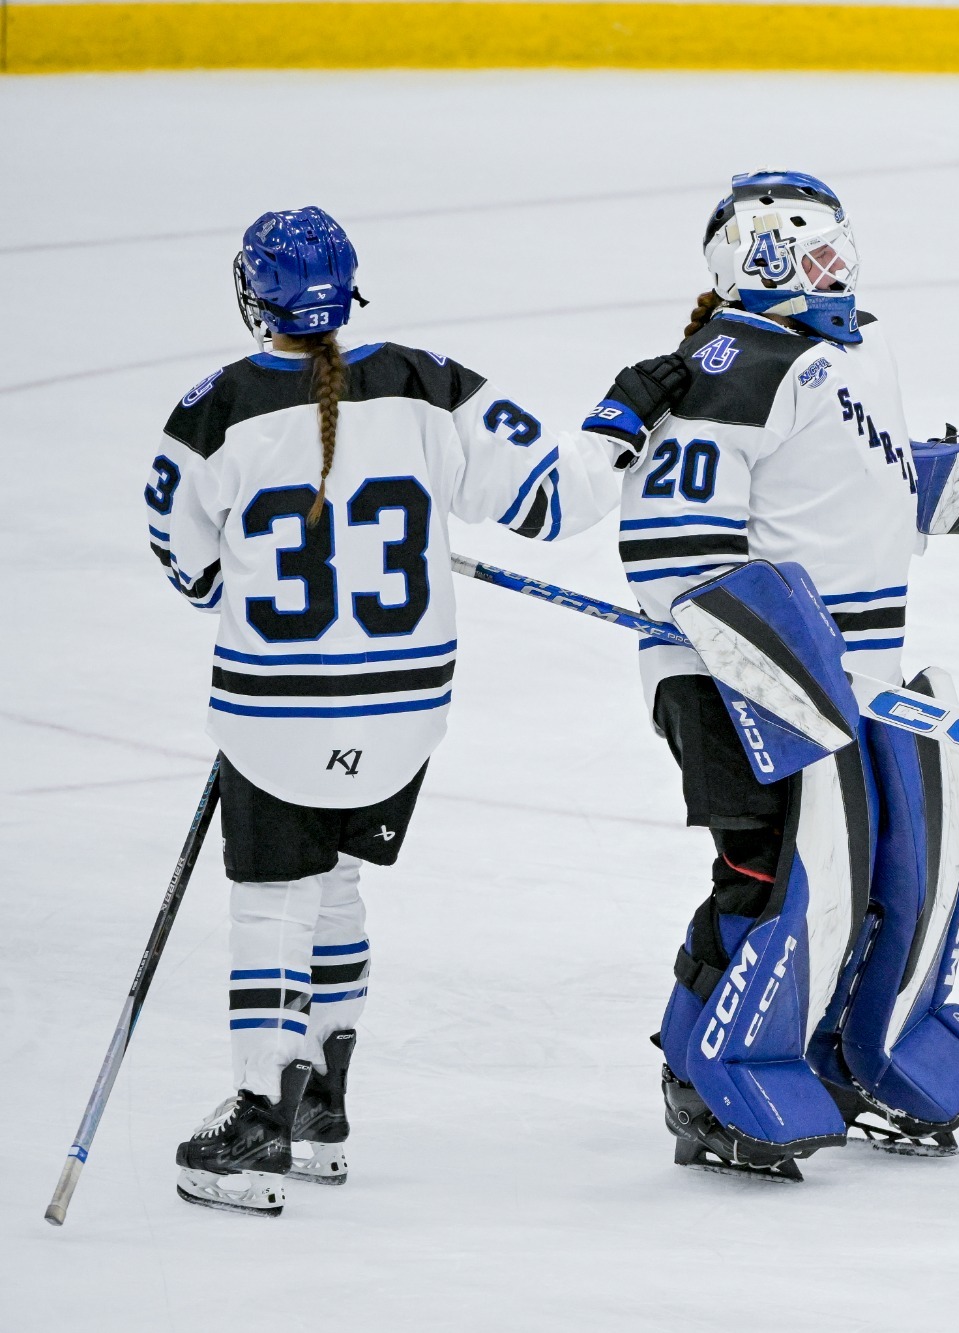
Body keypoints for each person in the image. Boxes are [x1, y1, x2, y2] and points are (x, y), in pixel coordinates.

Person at [580, 170, 959, 1180]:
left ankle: (852, 1053)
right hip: (733, 675)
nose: (829, 266)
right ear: (751, 261)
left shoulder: (853, 348)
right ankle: (702, 1074)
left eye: (833, 246)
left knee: (893, 869)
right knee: (774, 870)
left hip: (859, 670)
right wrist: (761, 666)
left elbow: (877, 493)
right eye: (802, 250)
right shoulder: (729, 365)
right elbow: (670, 547)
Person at [148, 207, 653, 1215]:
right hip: (405, 715)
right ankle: (323, 1102)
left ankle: (257, 1111)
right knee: (332, 882)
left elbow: (190, 567)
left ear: (255, 299)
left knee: (271, 900)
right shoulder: (430, 383)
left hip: (276, 715)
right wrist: (626, 413)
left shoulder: (207, 414)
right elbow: (555, 502)